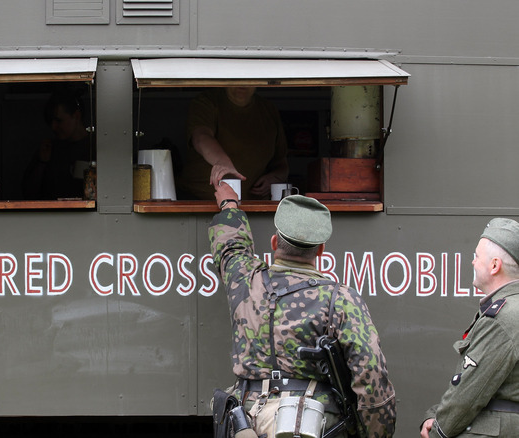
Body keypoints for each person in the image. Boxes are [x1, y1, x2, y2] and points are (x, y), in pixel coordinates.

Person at [209, 183, 396, 437]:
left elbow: (230, 247)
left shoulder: (245, 280)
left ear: (274, 242)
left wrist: (229, 205)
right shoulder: (340, 299)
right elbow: (371, 376)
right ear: (321, 250)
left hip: (247, 423)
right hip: (313, 424)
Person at [420, 218, 519, 438]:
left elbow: (469, 394)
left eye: (476, 257)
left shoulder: (502, 319)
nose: (473, 263)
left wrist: (438, 430)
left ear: (494, 266)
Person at [177, 87, 289, 200]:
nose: (242, 83)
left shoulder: (268, 109)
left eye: (247, 78)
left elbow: (282, 165)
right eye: (236, 77)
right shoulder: (207, 101)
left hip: (252, 206)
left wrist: (274, 179)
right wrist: (221, 162)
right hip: (200, 202)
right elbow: (201, 136)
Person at [23, 89, 93, 200]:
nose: (53, 127)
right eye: (51, 121)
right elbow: (28, 193)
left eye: (59, 120)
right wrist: (42, 163)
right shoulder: (48, 149)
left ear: (77, 116)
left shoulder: (95, 148)